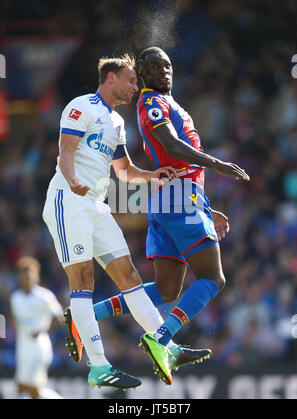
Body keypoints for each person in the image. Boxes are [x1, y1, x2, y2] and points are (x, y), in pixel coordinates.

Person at [64, 49, 246, 386]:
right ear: (143, 75)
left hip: (172, 199)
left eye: (167, 65)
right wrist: (218, 164)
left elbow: (177, 161)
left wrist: (205, 205)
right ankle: (161, 338)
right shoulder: (151, 103)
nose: (163, 70)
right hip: (180, 198)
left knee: (166, 290)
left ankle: (85, 315)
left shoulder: (166, 103)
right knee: (213, 279)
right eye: (153, 66)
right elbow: (171, 146)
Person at [42, 53, 192, 390]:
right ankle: (99, 366)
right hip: (69, 201)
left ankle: (166, 346)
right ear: (111, 78)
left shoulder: (117, 123)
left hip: (96, 206)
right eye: (131, 80)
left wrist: (153, 175)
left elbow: (124, 172)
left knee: (129, 274)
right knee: (82, 278)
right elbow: (66, 152)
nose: (136, 86)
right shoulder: (81, 106)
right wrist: (73, 179)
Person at [10, 256, 64, 399]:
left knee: (33, 389)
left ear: (36, 276)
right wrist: (14, 324)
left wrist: (42, 330)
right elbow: (15, 320)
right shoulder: (15, 297)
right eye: (23, 274)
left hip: (39, 348)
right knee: (22, 389)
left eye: (30, 274)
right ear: (19, 277)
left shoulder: (44, 296)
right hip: (22, 350)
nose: (26, 277)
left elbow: (61, 317)